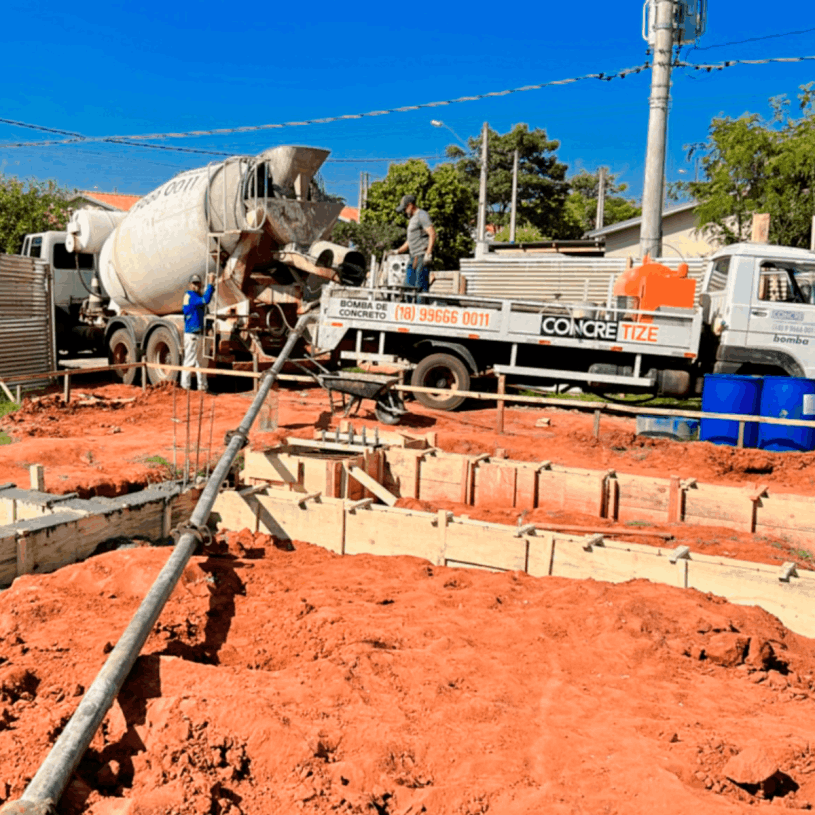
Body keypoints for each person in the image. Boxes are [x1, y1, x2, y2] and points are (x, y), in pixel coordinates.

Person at [395, 194, 436, 294]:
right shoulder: (412, 219)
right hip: (413, 257)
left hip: (421, 256)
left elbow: (432, 233)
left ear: (410, 205)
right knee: (408, 288)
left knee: (420, 289)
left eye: (405, 209)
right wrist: (397, 251)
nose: (404, 212)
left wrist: (428, 253)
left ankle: (420, 306)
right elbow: (409, 241)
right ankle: (409, 307)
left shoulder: (422, 215)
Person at [181, 272, 215, 391]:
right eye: (194, 283)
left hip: (200, 334)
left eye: (198, 283)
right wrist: (211, 284)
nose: (196, 285)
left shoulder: (196, 297)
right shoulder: (190, 296)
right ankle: (185, 387)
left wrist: (209, 326)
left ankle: (202, 387)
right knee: (190, 361)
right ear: (190, 284)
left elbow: (205, 312)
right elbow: (205, 300)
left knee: (202, 363)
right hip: (192, 335)